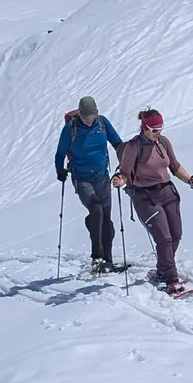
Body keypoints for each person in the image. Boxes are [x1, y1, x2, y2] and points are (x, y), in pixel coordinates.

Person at [112, 107, 193, 295]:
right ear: (144, 128)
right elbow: (125, 173)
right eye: (154, 130)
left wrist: (192, 180)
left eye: (160, 129)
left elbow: (175, 167)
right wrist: (120, 180)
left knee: (176, 235)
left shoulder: (164, 142)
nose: (158, 133)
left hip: (168, 192)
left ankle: (163, 269)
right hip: (145, 196)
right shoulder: (133, 147)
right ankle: (171, 279)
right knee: (164, 238)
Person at [55, 96, 124, 274]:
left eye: (91, 117)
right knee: (96, 210)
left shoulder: (102, 123)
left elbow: (117, 143)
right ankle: (97, 259)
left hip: (102, 176)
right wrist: (60, 170)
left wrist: (126, 162)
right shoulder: (71, 128)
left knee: (106, 218)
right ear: (79, 114)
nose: (88, 121)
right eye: (85, 117)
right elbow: (60, 152)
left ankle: (108, 261)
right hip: (82, 178)